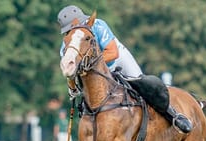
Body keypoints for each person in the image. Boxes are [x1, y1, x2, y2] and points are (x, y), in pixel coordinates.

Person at [57, 5, 192, 133]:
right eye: (68, 31)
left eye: (71, 28)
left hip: (117, 59)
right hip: (96, 73)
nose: (70, 33)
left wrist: (89, 64)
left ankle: (173, 115)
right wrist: (73, 88)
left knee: (141, 83)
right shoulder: (66, 45)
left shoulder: (98, 25)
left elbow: (112, 52)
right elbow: (69, 72)